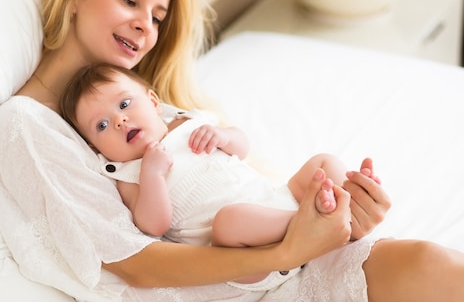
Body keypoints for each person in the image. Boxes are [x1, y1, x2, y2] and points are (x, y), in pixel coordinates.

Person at [0, 0, 464, 301]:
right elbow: (136, 261)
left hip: (285, 263)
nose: (145, 28)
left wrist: (340, 224)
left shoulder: (148, 105)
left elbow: (227, 172)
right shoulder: (27, 124)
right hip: (250, 286)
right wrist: (290, 248)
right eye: (129, 0)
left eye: (156, 17)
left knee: (437, 266)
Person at [60, 62, 377, 290]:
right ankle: (317, 223)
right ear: (95, 147)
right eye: (101, 125)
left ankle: (349, 204)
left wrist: (223, 136)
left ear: (154, 102)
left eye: (125, 103)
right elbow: (152, 225)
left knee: (324, 164)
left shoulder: (190, 122)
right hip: (245, 253)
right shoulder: (129, 174)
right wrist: (152, 175)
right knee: (230, 218)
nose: (120, 120)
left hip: (275, 202)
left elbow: (241, 147)